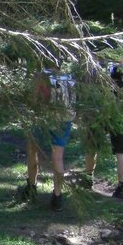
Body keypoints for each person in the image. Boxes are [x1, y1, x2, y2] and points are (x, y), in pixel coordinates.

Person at [19, 69, 75, 211]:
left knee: (32, 150)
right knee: (58, 157)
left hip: (42, 118)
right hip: (64, 119)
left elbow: (34, 99)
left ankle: (31, 187)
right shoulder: (68, 77)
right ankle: (57, 196)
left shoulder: (40, 75)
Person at [84, 62, 123, 199]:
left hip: (100, 114)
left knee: (92, 147)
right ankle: (121, 187)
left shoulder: (101, 72)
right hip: (121, 115)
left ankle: (88, 179)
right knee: (121, 152)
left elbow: (93, 92)